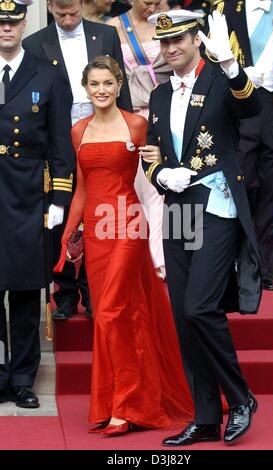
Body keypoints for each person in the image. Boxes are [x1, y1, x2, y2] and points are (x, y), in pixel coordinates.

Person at [54, 55, 194, 435]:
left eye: (108, 84)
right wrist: (70, 232)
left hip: (129, 227)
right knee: (116, 314)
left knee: (112, 311)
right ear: (86, 88)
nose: (101, 90)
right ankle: (115, 400)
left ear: (119, 86)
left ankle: (125, 404)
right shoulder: (78, 130)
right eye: (94, 84)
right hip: (97, 232)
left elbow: (151, 181)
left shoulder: (136, 126)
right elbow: (82, 188)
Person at [142, 9, 262, 445]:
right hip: (179, 207)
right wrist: (159, 177)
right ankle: (206, 415)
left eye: (179, 40)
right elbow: (151, 153)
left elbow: (253, 108)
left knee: (200, 307)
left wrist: (230, 64)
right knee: (183, 316)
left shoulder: (218, 80)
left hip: (215, 203)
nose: (171, 49)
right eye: (164, 42)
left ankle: (241, 396)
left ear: (196, 40)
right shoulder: (158, 95)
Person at [23, 0, 132, 320]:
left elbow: (119, 85)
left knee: (101, 214)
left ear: (81, 6)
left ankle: (94, 289)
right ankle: (66, 291)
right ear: (50, 9)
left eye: (73, 13)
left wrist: (125, 133)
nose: (68, 20)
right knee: (63, 215)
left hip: (101, 135)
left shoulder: (105, 34)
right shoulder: (34, 42)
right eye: (60, 15)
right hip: (60, 141)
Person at [0, 0, 75, 407]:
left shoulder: (47, 74)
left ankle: (23, 378)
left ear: (24, 24)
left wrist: (60, 198)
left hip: (29, 193)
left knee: (27, 291)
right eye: (0, 23)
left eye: (12, 22)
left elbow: (62, 145)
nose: (6, 29)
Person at [213, 0, 273, 290]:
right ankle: (235, 260)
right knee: (240, 182)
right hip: (241, 103)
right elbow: (209, 54)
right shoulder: (225, 9)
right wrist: (236, 74)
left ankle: (263, 267)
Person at [107, 0, 171, 279]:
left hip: (164, 115)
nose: (152, 6)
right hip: (127, 117)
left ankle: (159, 259)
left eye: (157, 1)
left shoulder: (171, 22)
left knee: (158, 188)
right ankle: (133, 258)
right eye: (147, 2)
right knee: (130, 189)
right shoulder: (113, 27)